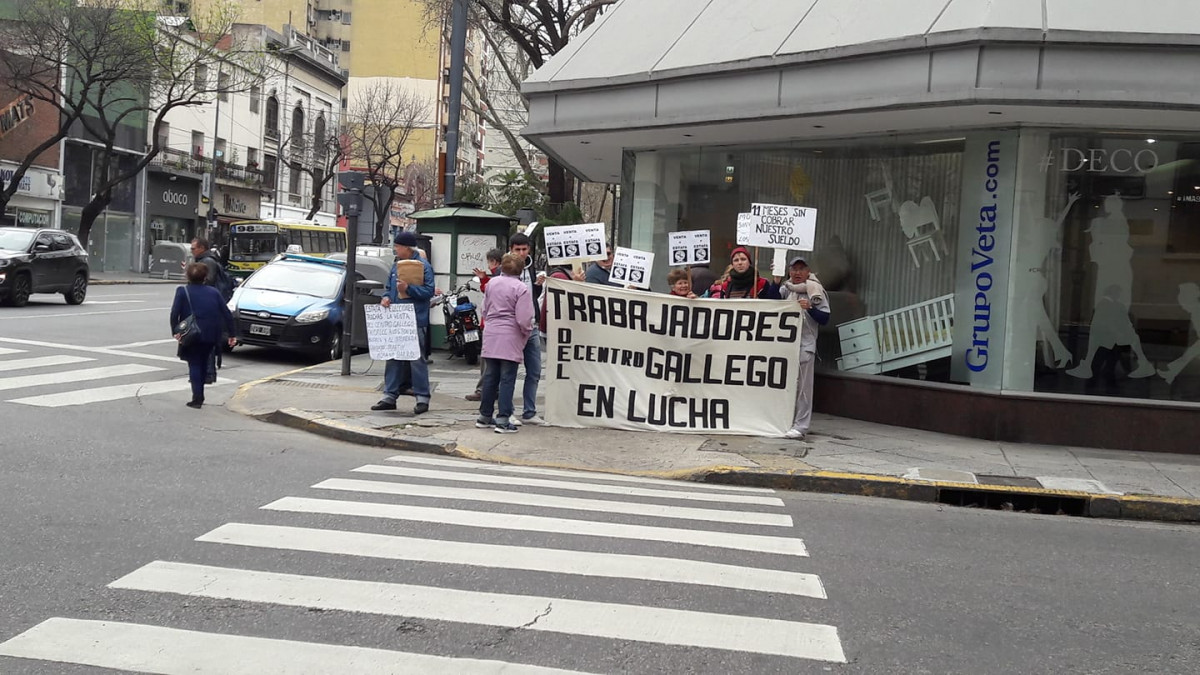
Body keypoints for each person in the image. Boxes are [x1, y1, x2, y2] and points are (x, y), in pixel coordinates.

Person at [371, 231, 435, 415]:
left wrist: (409, 289)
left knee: (416, 359)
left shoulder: (423, 266)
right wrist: (385, 297)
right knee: (393, 357)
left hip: (414, 318)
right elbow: (389, 287)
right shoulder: (396, 265)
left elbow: (429, 291)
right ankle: (389, 396)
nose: (395, 250)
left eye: (398, 246)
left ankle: (422, 397)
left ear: (407, 248)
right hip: (396, 318)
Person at [476, 253, 536, 433]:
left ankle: (484, 416)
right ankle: (503, 419)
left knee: (490, 377)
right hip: (510, 335)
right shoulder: (521, 288)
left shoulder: (492, 283)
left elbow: (484, 309)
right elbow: (524, 318)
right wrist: (526, 331)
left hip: (492, 333)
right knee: (507, 379)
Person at [170, 262, 235, 409]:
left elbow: (174, 314)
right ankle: (201, 393)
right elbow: (227, 314)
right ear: (205, 277)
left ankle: (197, 398)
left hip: (191, 334)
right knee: (204, 361)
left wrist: (176, 332)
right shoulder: (214, 292)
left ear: (188, 276)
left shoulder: (182, 291)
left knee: (194, 363)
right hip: (211, 335)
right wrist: (232, 334)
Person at [778, 257, 830, 439]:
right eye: (794, 269)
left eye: (801, 269)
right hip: (785, 345)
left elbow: (825, 318)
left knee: (803, 389)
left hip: (805, 345)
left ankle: (801, 426)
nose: (797, 273)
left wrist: (810, 308)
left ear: (808, 272)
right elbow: (771, 303)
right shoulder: (785, 289)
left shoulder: (815, 290)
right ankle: (785, 421)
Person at [507, 233, 546, 426]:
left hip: (531, 326)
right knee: (510, 372)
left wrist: (539, 286)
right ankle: (508, 411)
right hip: (513, 328)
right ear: (511, 249)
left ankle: (529, 412)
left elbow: (531, 296)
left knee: (535, 370)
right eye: (517, 250)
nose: (521, 253)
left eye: (524, 249)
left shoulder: (531, 268)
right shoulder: (505, 269)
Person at [190, 237, 233, 383]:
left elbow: (207, 282)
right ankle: (205, 373)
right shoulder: (207, 260)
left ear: (202, 248)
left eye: (193, 248)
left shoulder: (207, 261)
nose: (191, 251)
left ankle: (207, 374)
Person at [466, 247, 505, 402]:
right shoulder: (500, 276)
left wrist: (484, 279)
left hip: (491, 323)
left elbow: (489, 292)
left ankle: (484, 389)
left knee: (487, 359)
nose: (488, 265)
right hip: (497, 324)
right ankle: (493, 388)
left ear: (494, 262)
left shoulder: (497, 276)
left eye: (489, 262)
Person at [709, 246, 780, 299]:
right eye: (736, 260)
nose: (740, 263)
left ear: (749, 262)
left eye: (743, 259)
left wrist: (776, 280)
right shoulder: (725, 286)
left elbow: (773, 303)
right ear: (732, 264)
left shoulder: (761, 284)